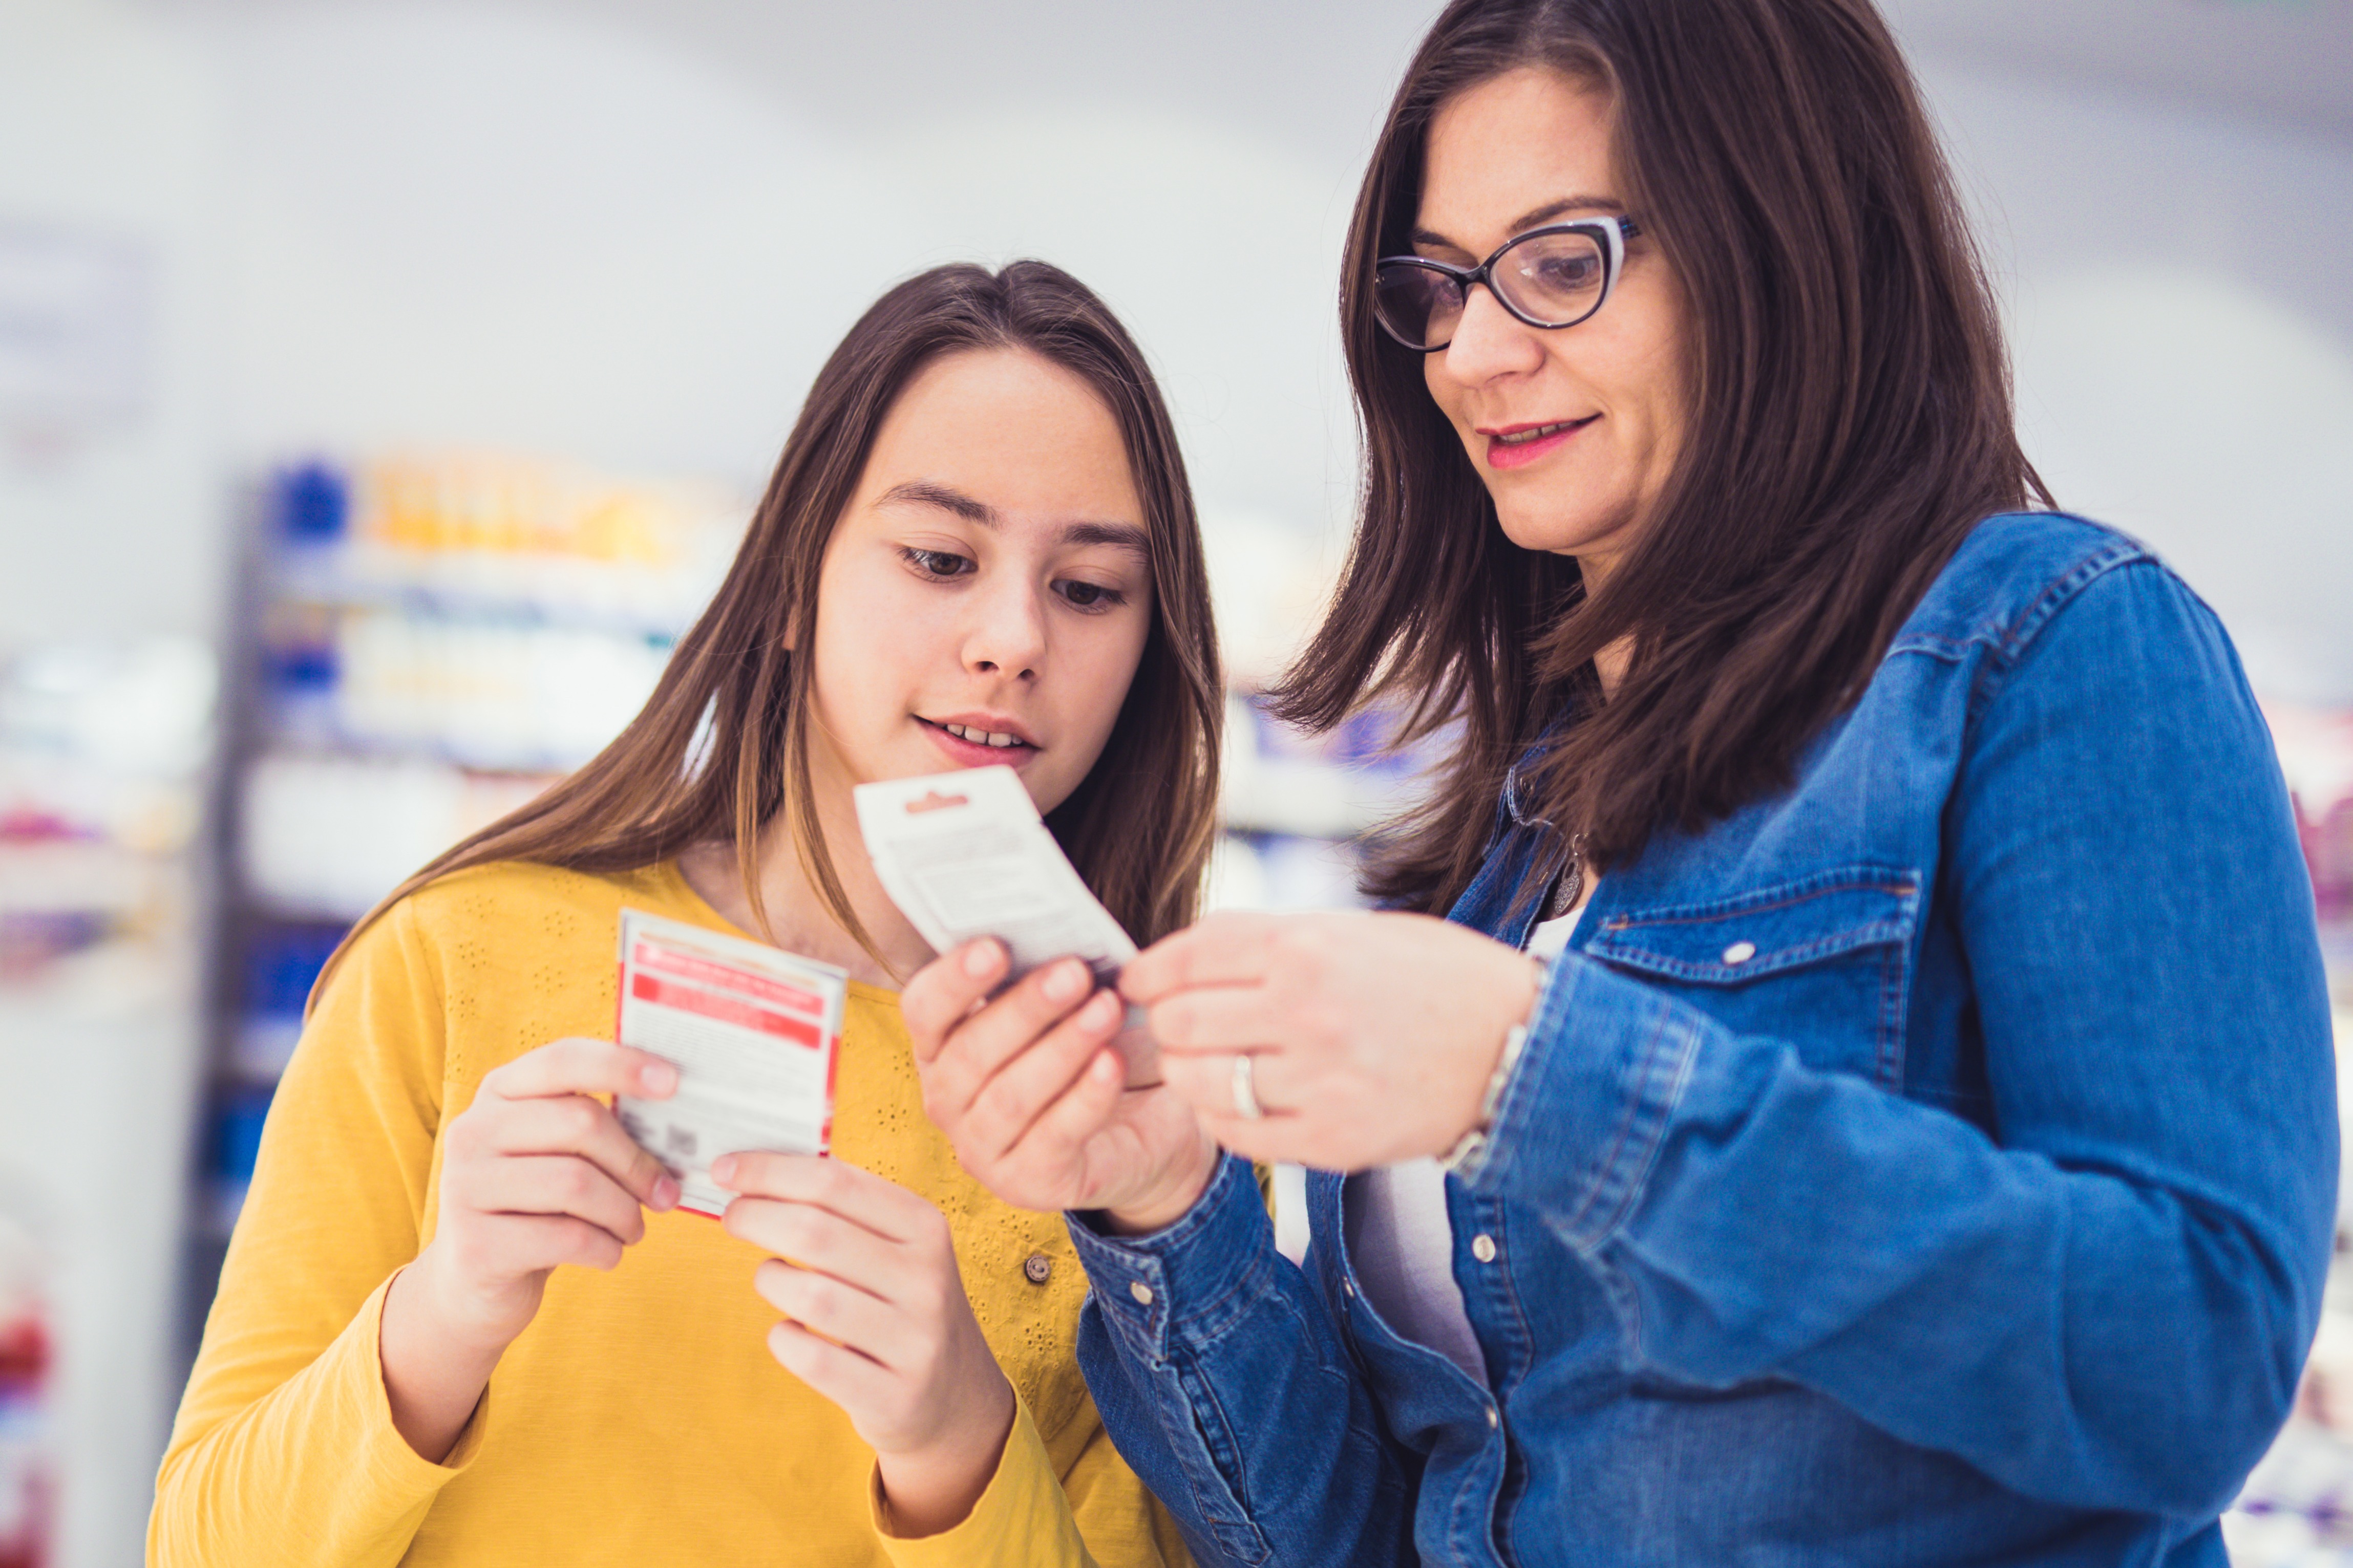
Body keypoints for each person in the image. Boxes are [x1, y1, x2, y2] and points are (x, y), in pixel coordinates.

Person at [901, 3, 2339, 1564]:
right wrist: (1162, 1200)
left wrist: (1539, 1082)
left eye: (1562, 262)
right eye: (1437, 287)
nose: (1472, 353)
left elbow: (2190, 1361)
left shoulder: (2047, 647)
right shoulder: (1524, 830)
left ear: (1781, 241)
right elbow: (1366, 1537)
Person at [151, 261, 1218, 1567]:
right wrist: (437, 1321)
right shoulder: (450, 961)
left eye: (1091, 588)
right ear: (787, 585)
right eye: (941, 557)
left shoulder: (1146, 1111)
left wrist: (957, 1447)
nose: (1013, 638)